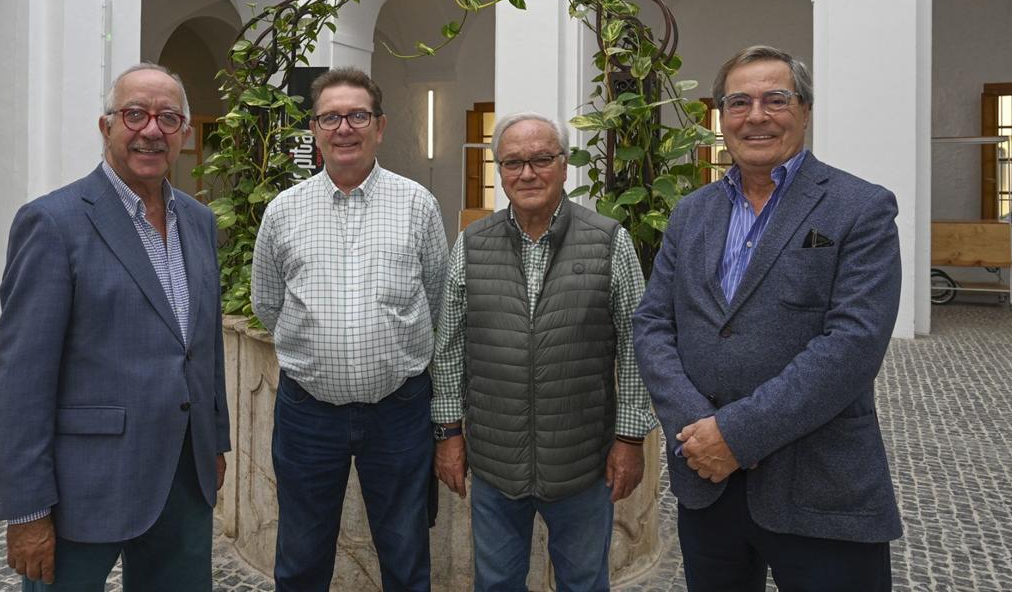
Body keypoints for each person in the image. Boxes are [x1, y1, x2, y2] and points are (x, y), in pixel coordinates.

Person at [633, 45, 902, 591]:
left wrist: (737, 434)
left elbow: (852, 345)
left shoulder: (860, 207)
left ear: (804, 110)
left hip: (820, 485)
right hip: (707, 483)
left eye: (775, 99)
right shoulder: (691, 213)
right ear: (721, 115)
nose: (756, 116)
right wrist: (698, 435)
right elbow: (654, 325)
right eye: (739, 102)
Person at [0, 63, 230, 591]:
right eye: (135, 114)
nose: (152, 130)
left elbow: (202, 344)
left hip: (183, 480)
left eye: (168, 118)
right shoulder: (53, 223)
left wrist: (214, 442)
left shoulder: (199, 221)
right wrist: (26, 507)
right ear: (107, 128)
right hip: (84, 486)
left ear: (186, 135)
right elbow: (21, 379)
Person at [431, 112, 657, 592]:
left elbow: (640, 346)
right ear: (499, 169)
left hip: (582, 463)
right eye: (513, 162)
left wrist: (631, 439)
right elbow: (448, 347)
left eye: (540, 159)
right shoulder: (471, 244)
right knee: (495, 583)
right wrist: (448, 433)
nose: (527, 173)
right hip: (495, 463)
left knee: (583, 583)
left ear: (564, 164)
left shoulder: (609, 241)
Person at [251, 67, 448, 592]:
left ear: (379, 126)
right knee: (300, 557)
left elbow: (437, 299)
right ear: (314, 129)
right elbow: (268, 303)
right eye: (330, 117)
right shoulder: (283, 211)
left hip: (399, 413)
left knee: (406, 555)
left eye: (357, 115)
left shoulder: (417, 205)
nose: (344, 128)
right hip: (307, 415)